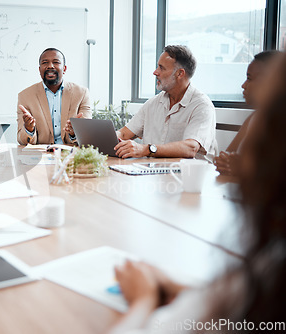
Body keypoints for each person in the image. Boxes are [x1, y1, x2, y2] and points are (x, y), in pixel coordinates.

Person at [110, 51, 286, 333]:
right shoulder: (266, 261)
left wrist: (144, 299)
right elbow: (234, 294)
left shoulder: (201, 104)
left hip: (187, 192)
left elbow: (193, 147)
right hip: (158, 190)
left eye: (160, 67)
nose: (242, 86)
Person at [114, 45, 217, 158]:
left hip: (187, 173)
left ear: (180, 73)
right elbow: (124, 134)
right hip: (152, 172)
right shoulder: (153, 103)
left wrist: (147, 149)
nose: (155, 72)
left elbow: (190, 148)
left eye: (161, 68)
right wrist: (105, 138)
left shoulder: (202, 106)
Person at [214, 50, 280, 176]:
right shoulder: (255, 119)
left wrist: (243, 168)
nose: (243, 85)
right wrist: (225, 162)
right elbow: (225, 156)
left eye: (249, 78)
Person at [17, 48, 92, 145]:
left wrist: (74, 133)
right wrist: (29, 129)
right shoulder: (25, 96)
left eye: (56, 62)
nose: (50, 66)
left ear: (64, 69)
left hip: (70, 156)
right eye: (45, 62)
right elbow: (21, 141)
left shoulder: (81, 93)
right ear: (39, 70)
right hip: (40, 156)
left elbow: (87, 137)